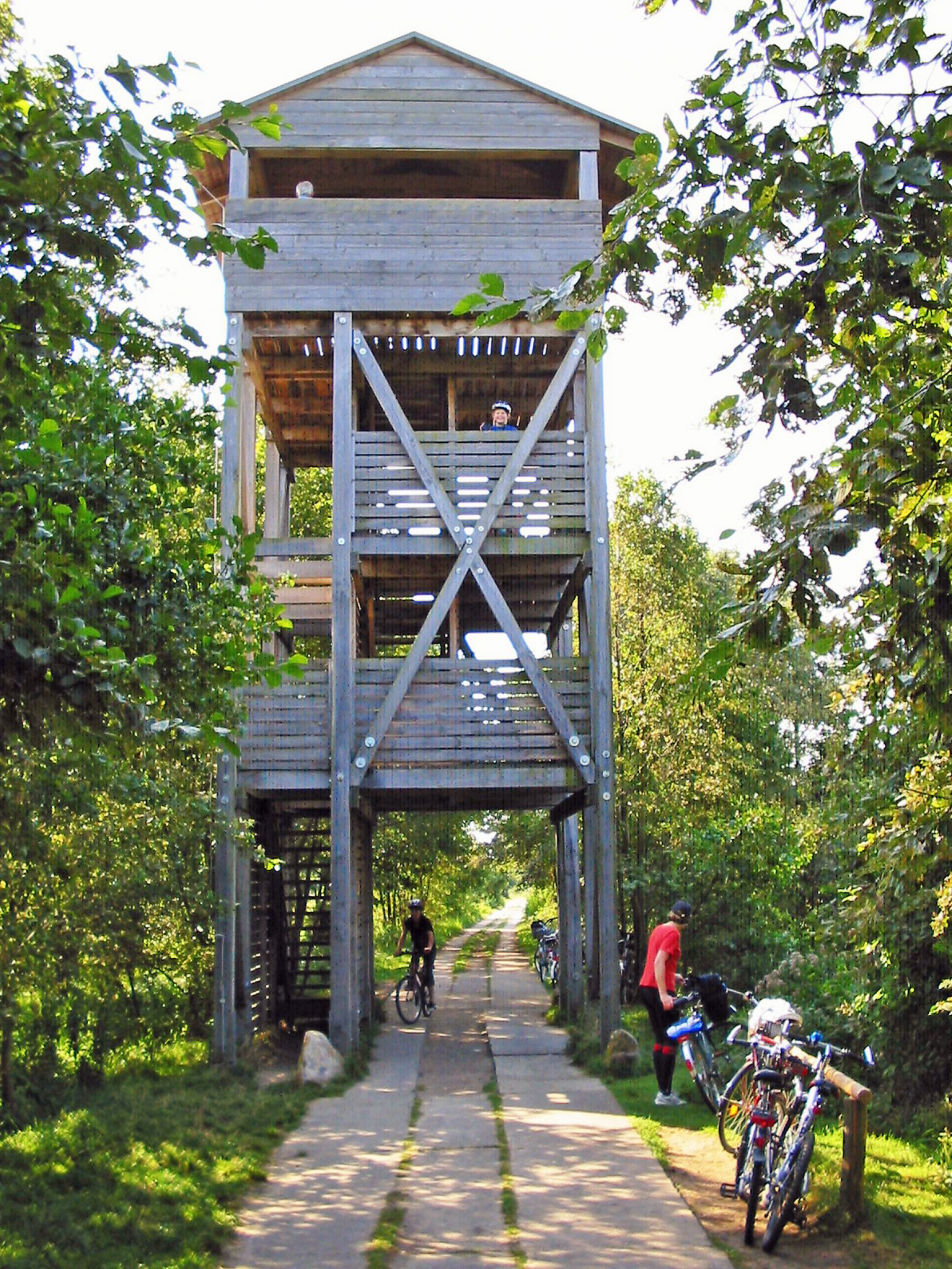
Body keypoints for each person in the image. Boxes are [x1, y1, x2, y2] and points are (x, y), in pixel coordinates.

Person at [638, 899, 692, 1106]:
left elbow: (660, 962)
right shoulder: (673, 934)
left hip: (646, 987)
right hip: (658, 991)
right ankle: (665, 1094)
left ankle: (663, 1091)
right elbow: (659, 961)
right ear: (686, 920)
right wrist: (664, 994)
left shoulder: (659, 929)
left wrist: (674, 975)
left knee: (661, 1039)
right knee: (670, 1039)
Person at [396, 897, 437, 1009]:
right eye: (413, 910)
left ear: (420, 911)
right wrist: (398, 949)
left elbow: (430, 936)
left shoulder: (425, 921)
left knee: (428, 973)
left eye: (417, 910)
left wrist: (429, 947)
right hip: (417, 947)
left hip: (429, 948)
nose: (415, 913)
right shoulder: (408, 922)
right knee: (413, 967)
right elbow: (403, 935)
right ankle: (413, 985)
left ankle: (432, 1001)